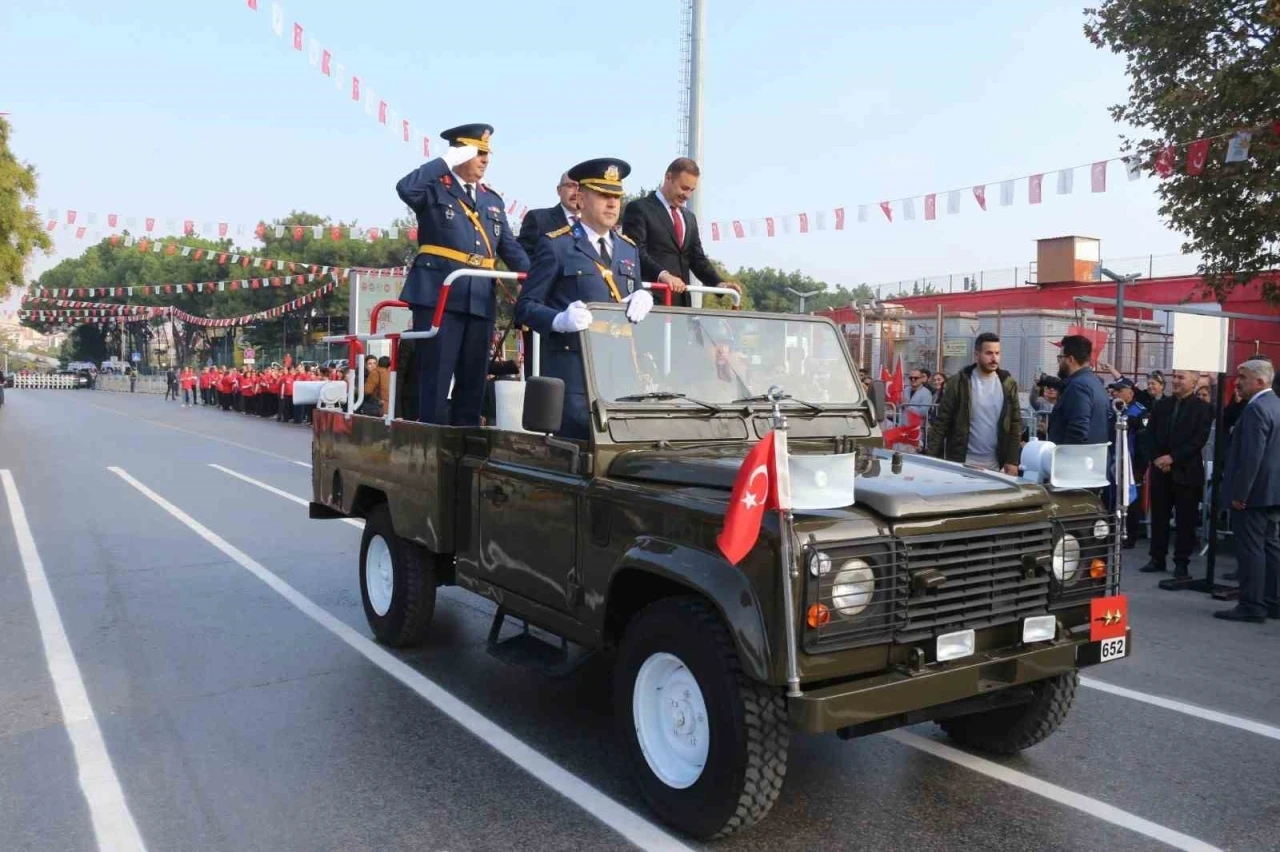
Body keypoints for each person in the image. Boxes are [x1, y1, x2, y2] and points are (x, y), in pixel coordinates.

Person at [396, 123, 530, 426]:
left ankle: (466, 447)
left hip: (480, 298)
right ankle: (433, 448)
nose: (484, 159)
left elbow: (509, 247)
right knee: (436, 378)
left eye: (487, 154)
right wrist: (446, 161)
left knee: (473, 380)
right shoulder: (433, 187)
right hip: (439, 296)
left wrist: (533, 280)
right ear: (459, 153)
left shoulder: (492, 200)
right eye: (477, 152)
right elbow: (405, 188)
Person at [515, 157, 653, 439]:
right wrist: (558, 320)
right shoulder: (557, 245)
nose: (612, 204)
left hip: (620, 373)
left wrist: (644, 295)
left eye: (616, 196)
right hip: (574, 371)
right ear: (581, 198)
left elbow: (632, 294)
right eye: (603, 195)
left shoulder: (628, 250)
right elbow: (525, 308)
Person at [620, 157, 740, 307]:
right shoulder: (639, 209)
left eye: (692, 190)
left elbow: (697, 259)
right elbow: (635, 252)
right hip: (649, 304)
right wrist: (663, 275)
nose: (688, 195)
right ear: (668, 178)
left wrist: (719, 284)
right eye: (684, 188)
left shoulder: (689, 218)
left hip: (682, 307)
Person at [1216, 359, 1280, 621]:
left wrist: (1240, 494)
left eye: (1242, 377)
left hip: (1253, 495)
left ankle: (1252, 605)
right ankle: (1272, 601)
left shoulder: (1256, 409)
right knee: (1270, 546)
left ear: (1260, 381)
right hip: (1272, 492)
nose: (1236, 382)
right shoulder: (1276, 404)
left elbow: (1252, 456)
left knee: (1252, 549)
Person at [1137, 369, 1212, 577]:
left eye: (1181, 378)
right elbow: (1149, 435)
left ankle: (1181, 563)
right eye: (1175, 377)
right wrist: (1157, 459)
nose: (1176, 381)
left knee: (1185, 520)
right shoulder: (1162, 405)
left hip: (1187, 472)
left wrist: (1173, 458)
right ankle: (1157, 558)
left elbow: (1198, 440)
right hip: (1160, 471)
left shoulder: (1203, 409)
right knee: (1159, 516)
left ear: (1194, 382)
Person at [924, 332, 1023, 474]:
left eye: (997, 353)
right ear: (977, 355)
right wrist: (932, 459)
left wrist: (1013, 461)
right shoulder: (958, 383)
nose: (994, 358)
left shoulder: (1008, 384)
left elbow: (1015, 423)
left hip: (995, 463)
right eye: (989, 353)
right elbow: (941, 423)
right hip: (963, 461)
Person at [1107, 377, 1150, 548]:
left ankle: (1129, 536)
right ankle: (1113, 532)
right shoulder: (1114, 408)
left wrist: (1140, 467)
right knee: (1113, 496)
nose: (1115, 393)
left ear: (1130, 392)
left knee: (1130, 500)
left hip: (1132, 463)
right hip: (1114, 459)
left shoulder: (1140, 412)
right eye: (1114, 390)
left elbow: (1144, 442)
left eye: (1119, 390)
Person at [1047, 335, 1109, 445]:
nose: (1059, 363)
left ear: (1070, 359)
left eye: (1060, 358)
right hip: (1093, 457)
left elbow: (1078, 431)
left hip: (1075, 458)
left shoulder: (1078, 386)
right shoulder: (1095, 383)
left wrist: (1065, 457)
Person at [517, 172, 579, 258]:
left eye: (581, 188)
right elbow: (523, 257)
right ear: (559, 190)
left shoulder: (595, 223)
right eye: (570, 186)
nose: (576, 193)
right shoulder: (538, 219)